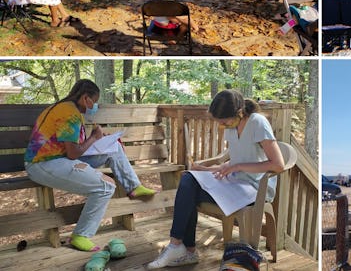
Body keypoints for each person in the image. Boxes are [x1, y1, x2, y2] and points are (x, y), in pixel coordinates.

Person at [148, 89, 285, 269]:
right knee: (189, 179)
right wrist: (204, 169)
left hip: (255, 187)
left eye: (223, 121)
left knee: (190, 193)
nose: (221, 125)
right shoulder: (231, 126)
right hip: (234, 181)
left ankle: (183, 250)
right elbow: (232, 161)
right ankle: (181, 247)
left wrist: (237, 167)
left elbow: (278, 165)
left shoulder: (257, 123)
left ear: (238, 113)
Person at [23, 79, 155, 252]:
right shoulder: (69, 113)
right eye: (95, 101)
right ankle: (81, 235)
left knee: (113, 148)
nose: (95, 105)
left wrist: (99, 139)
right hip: (43, 165)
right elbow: (73, 153)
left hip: (59, 158)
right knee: (106, 186)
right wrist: (94, 138)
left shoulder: (65, 108)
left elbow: (70, 147)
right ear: (86, 98)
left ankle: (134, 186)